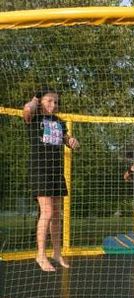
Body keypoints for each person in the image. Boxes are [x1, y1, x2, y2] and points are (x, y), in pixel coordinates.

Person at [23, 86, 80, 272]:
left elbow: (66, 139)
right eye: (49, 100)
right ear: (40, 102)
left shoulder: (59, 122)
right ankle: (41, 255)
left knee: (56, 214)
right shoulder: (34, 118)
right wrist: (36, 97)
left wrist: (71, 141)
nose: (53, 104)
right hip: (40, 170)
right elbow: (27, 109)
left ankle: (56, 253)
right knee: (46, 212)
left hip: (56, 171)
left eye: (55, 101)